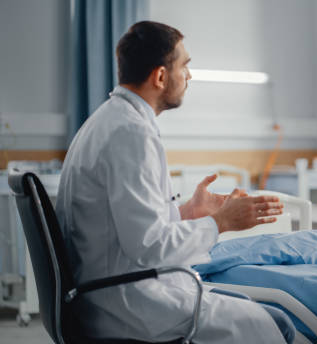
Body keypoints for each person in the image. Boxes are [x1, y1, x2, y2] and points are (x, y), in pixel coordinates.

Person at [56, 21, 294, 343]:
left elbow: (127, 228)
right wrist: (219, 222)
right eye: (185, 66)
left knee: (268, 317)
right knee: (275, 324)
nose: (189, 76)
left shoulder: (108, 121)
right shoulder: (130, 133)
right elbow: (148, 246)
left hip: (111, 292)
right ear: (160, 76)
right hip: (128, 304)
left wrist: (188, 213)